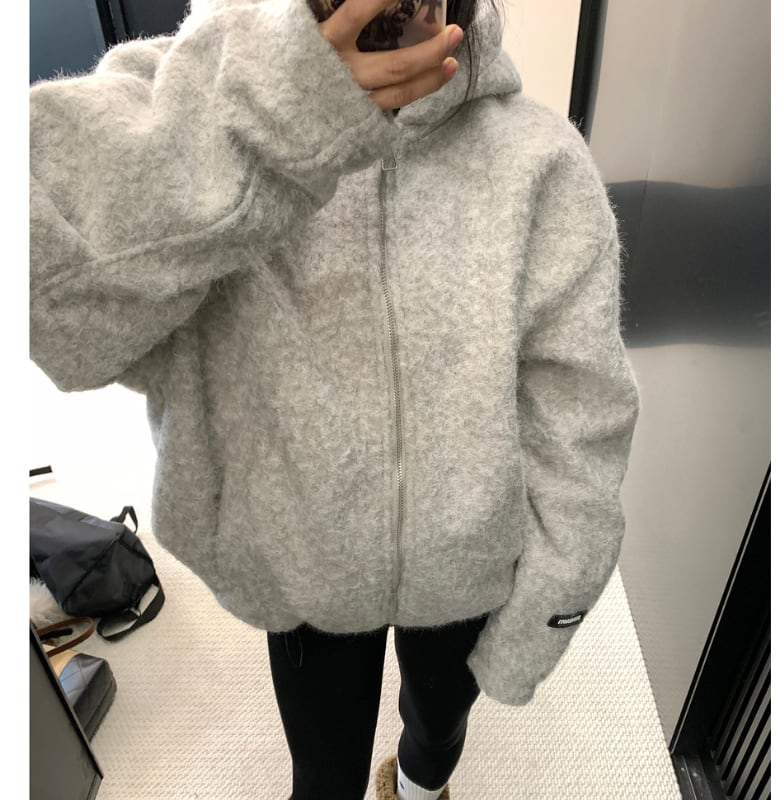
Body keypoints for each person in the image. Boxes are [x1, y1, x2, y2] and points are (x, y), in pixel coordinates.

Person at [29, 0, 641, 798]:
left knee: (436, 733)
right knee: (322, 774)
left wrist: (541, 621)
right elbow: (49, 305)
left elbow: (581, 415)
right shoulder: (189, 113)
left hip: (466, 569)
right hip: (302, 574)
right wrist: (271, 110)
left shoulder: (540, 162)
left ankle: (419, 785)